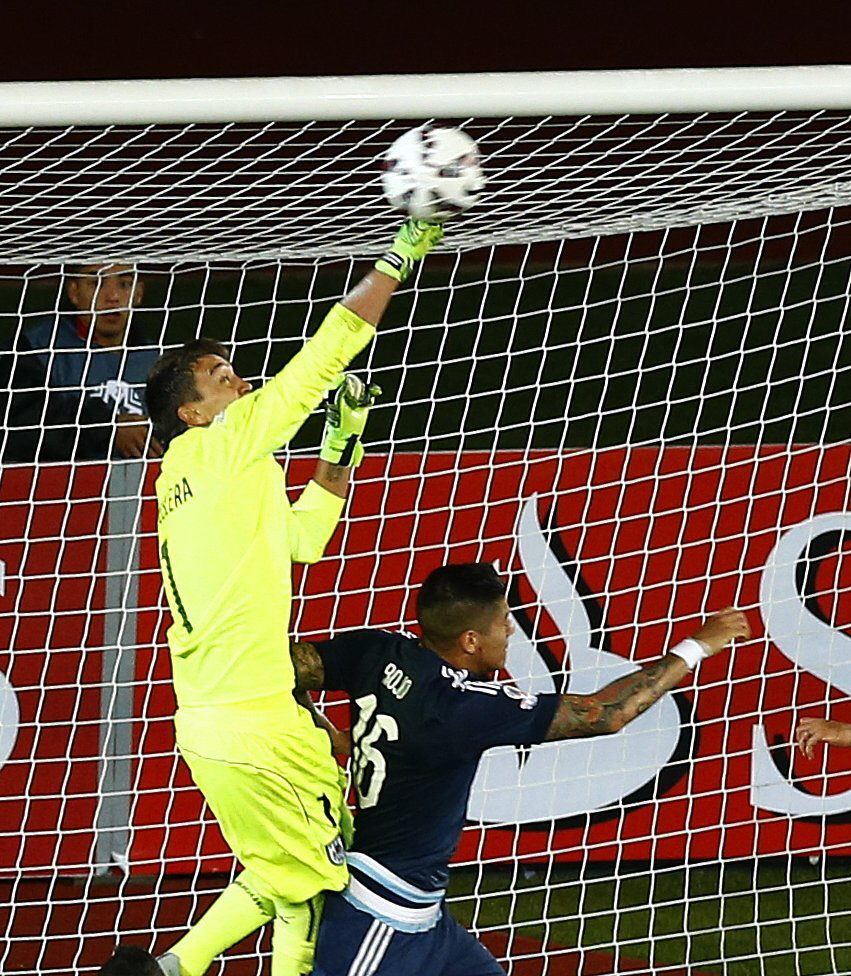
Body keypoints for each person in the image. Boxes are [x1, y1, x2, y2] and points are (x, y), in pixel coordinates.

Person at [98, 218, 444, 976]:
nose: (240, 381)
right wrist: (398, 256)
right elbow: (321, 359)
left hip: (209, 723)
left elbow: (299, 544)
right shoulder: (224, 445)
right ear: (190, 412)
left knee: (289, 878)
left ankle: (169, 969)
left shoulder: (186, 478)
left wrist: (335, 449)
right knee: (322, 885)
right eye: (221, 377)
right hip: (258, 726)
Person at [287, 562, 751, 976]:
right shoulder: (460, 707)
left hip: (426, 917)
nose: (510, 631)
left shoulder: (378, 651)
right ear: (470, 641)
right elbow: (605, 714)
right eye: (503, 622)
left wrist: (329, 735)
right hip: (382, 918)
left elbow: (282, 669)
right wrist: (697, 646)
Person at [1, 263, 161, 462]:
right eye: (96, 283)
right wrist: (105, 430)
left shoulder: (155, 359)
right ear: (74, 291)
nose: (113, 297)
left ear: (139, 293)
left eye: (125, 284)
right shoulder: (34, 349)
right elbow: (21, 425)